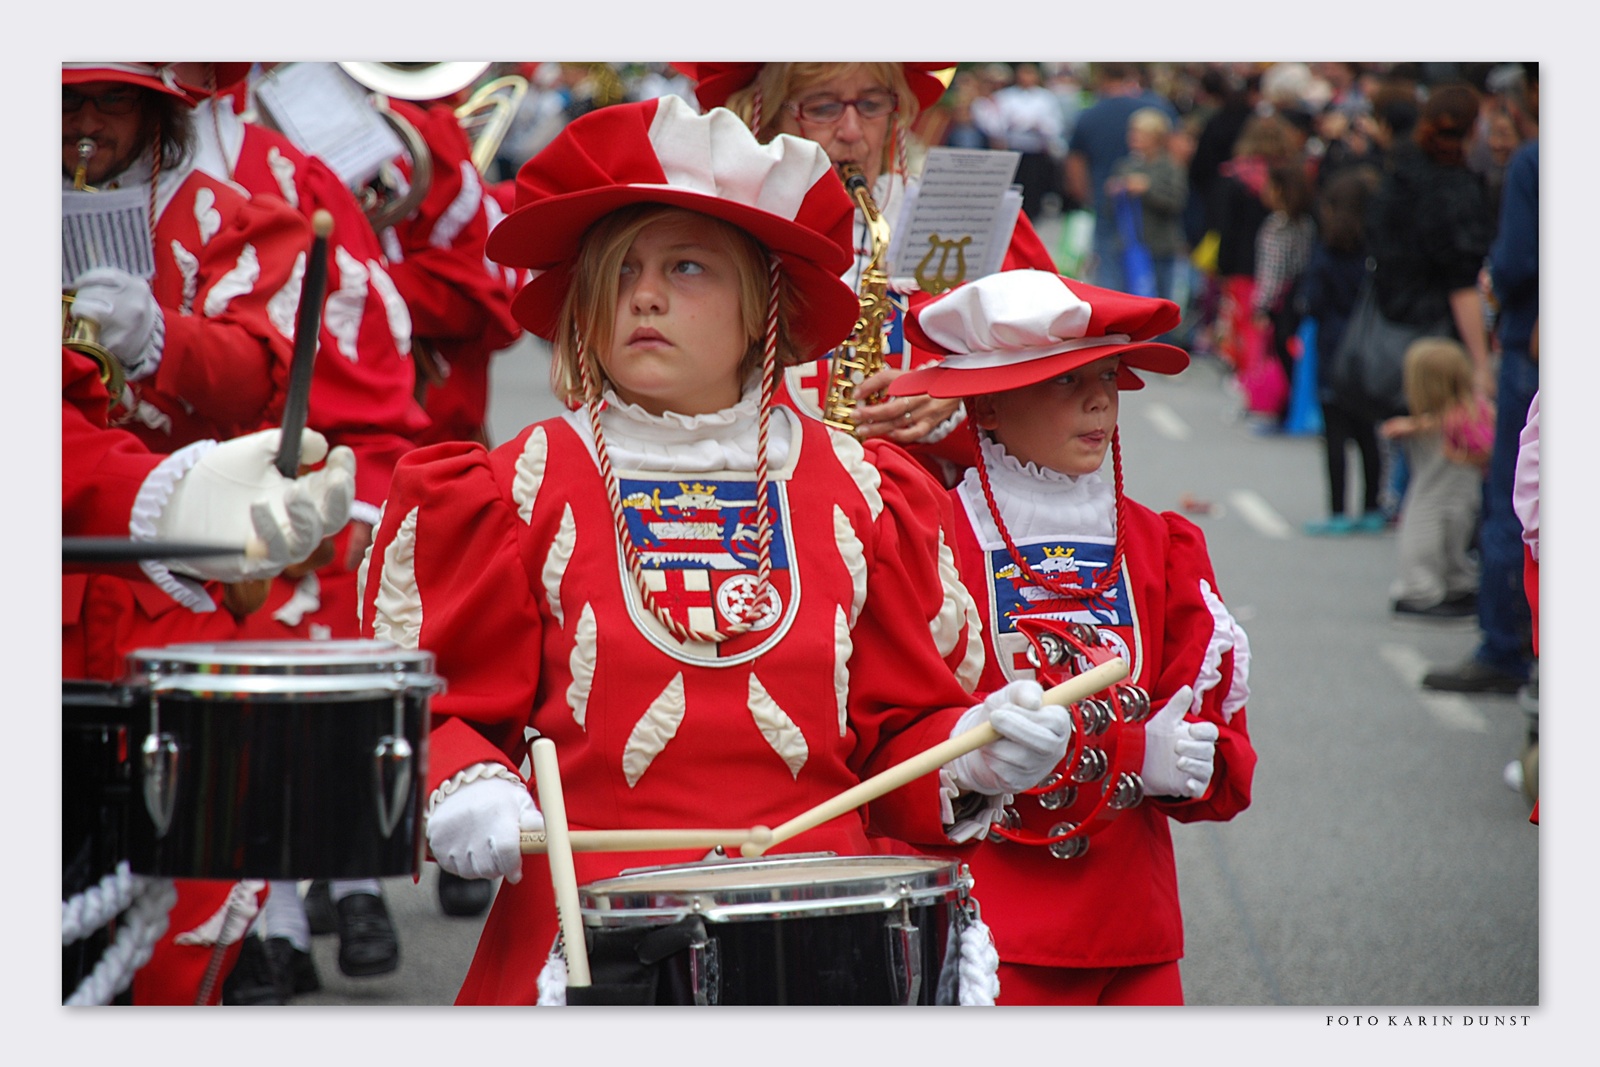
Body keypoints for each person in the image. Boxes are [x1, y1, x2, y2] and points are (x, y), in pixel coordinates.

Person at [354, 95, 1073, 1006]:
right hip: (589, 946)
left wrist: (970, 753)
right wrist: (461, 780)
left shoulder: (865, 491)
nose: (644, 295)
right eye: (621, 273)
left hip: (826, 940)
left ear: (762, 307)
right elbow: (433, 711)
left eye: (686, 267)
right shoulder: (510, 490)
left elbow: (900, 745)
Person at [886, 268, 1255, 1004]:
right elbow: (882, 744)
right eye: (1065, 380)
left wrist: (1185, 759)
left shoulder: (1158, 543)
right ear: (985, 405)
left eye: (1109, 374)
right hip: (990, 935)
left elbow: (1223, 761)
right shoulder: (928, 537)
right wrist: (971, 753)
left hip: (1135, 936)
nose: (1099, 400)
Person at [672, 61, 1061, 487]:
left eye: (873, 104)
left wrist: (964, 393)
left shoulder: (961, 217)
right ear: (764, 116)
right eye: (822, 108)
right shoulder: (710, 230)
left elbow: (1057, 377)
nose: (853, 132)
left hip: (932, 508)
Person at [1423, 124, 1537, 695]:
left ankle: (1506, 645)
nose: (1493, 134)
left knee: (1518, 499)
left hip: (1530, 349)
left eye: (1502, 118)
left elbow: (1513, 266)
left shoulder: (1532, 164)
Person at [1300, 164, 1387, 535]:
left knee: (1335, 433)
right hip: (1369, 349)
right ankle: (1372, 506)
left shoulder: (1327, 251)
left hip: (1335, 349)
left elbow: (1313, 303)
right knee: (1367, 431)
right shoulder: (1375, 250)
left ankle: (1338, 510)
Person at [1379, 338, 1492, 618]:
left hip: (1438, 496)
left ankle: (1422, 588)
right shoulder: (1469, 411)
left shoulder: (1457, 415)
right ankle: (1453, 582)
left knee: (1425, 536)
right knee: (1454, 537)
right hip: (1461, 497)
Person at [1065, 63, 1179, 293]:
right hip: (1144, 226)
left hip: (1114, 216)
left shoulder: (1089, 113)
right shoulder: (1158, 105)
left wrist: (1088, 199)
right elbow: (1180, 150)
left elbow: (1074, 165)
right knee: (1155, 290)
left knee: (1114, 284)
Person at [1247, 161, 1316, 425]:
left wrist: (1262, 306)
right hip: (1300, 296)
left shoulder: (1277, 226)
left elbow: (1272, 271)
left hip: (1280, 302)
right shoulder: (1307, 224)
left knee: (1278, 353)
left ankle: (1279, 407)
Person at [1106, 107, 1188, 318]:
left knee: (1160, 303)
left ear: (1157, 138)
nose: (1134, 138)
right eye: (1133, 133)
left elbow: (1177, 202)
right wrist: (1115, 191)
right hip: (1129, 247)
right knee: (1129, 303)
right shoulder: (1125, 165)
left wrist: (1147, 189)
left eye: (1141, 134)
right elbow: (1109, 210)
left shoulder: (1169, 166)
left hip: (1160, 246)